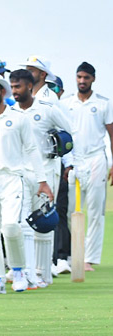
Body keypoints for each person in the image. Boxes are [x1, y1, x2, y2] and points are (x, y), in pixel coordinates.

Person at [0, 73, 52, 294]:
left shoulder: (18, 118)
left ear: (2, 92)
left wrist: (43, 181)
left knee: (10, 226)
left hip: (12, 178)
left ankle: (18, 271)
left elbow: (32, 149)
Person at [9, 69, 72, 286]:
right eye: (12, 87)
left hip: (46, 170)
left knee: (44, 222)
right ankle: (26, 270)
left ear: (29, 86)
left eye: (18, 86)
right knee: (22, 223)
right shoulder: (10, 112)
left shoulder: (48, 108)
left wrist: (71, 161)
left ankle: (43, 273)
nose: (14, 91)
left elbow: (71, 132)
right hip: (20, 172)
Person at [60, 62, 113, 271]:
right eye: (79, 77)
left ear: (93, 79)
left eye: (86, 78)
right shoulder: (66, 103)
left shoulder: (103, 103)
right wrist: (67, 163)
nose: (82, 81)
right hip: (74, 160)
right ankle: (76, 254)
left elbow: (111, 135)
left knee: (95, 209)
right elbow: (63, 134)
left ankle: (88, 259)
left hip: (96, 159)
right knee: (71, 211)